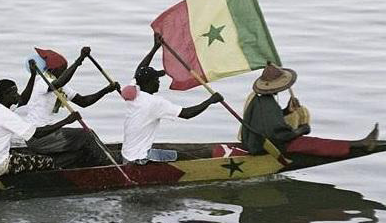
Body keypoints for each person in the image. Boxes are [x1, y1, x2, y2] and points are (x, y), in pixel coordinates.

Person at [121, 34, 223, 164]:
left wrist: (155, 47)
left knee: (173, 153)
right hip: (140, 159)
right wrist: (210, 101)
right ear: (148, 83)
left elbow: (139, 71)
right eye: (156, 80)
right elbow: (187, 114)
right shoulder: (154, 103)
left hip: (127, 155)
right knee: (181, 156)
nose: (158, 82)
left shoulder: (134, 92)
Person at [240, 63, 378, 156]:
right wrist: (301, 130)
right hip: (268, 147)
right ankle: (360, 144)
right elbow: (279, 135)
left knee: (314, 142)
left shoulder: (259, 100)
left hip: (257, 142)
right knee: (315, 143)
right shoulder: (268, 105)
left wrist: (287, 111)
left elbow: (266, 122)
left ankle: (356, 143)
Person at [24, 47, 120, 168]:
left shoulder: (59, 85)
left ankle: (104, 161)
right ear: (53, 70)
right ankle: (111, 164)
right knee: (86, 135)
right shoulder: (43, 81)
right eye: (63, 70)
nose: (64, 73)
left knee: (87, 140)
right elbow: (59, 83)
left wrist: (106, 90)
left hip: (49, 132)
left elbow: (84, 101)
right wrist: (79, 60)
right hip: (37, 137)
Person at [0, 79, 83, 177]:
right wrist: (66, 121)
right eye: (15, 93)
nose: (18, 95)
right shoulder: (6, 115)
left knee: (25, 155)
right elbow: (37, 134)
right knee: (49, 161)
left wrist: (32, 75)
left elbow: (23, 100)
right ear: (5, 94)